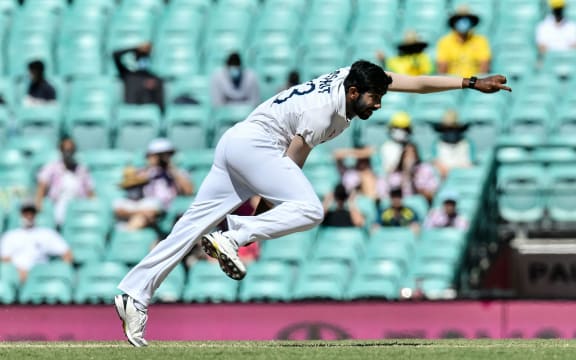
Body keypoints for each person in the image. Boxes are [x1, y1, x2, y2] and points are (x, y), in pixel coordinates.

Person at [113, 59, 510, 347]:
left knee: (189, 228)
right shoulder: (323, 114)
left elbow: (416, 83)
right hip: (258, 145)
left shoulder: (351, 77)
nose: (379, 106)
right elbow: (291, 162)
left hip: (235, 142)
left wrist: (471, 83)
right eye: (374, 99)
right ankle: (233, 236)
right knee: (310, 209)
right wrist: (252, 222)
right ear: (354, 93)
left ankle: (134, 292)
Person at [0, 201, 73, 283]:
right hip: (16, 277)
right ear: (20, 214)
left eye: (32, 213)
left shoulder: (46, 234)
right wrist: (19, 273)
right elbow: (4, 259)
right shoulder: (10, 236)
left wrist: (57, 272)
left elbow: (67, 254)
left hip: (41, 277)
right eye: (25, 213)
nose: (29, 216)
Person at [35, 137, 94, 227]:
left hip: (78, 205)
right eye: (65, 150)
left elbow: (90, 191)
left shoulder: (82, 170)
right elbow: (42, 183)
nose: (68, 153)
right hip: (59, 204)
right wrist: (39, 202)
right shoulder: (52, 167)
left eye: (71, 150)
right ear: (61, 151)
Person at [436, 6, 491, 77]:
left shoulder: (481, 40)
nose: (463, 22)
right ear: (454, 22)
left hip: (474, 83)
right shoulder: (444, 42)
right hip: (453, 84)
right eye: (459, 19)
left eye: (466, 19)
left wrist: (478, 83)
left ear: (471, 22)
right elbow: (442, 68)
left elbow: (484, 65)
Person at [141, 138, 194, 210]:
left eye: (166, 154)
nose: (161, 158)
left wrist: (171, 169)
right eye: (157, 155)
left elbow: (189, 191)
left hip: (169, 207)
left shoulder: (178, 172)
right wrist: (150, 167)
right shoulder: (145, 171)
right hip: (147, 206)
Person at [113, 42, 165, 112]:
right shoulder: (128, 75)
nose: (142, 61)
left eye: (145, 58)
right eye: (139, 58)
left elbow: (160, 104)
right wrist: (136, 49)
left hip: (147, 117)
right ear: (135, 60)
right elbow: (115, 54)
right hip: (128, 114)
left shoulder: (155, 79)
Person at [114, 167, 163, 231]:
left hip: (146, 234)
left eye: (136, 186)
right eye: (130, 187)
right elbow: (120, 213)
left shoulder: (152, 201)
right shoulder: (120, 201)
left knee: (140, 219)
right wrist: (143, 213)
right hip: (122, 234)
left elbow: (153, 215)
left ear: (142, 186)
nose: (134, 190)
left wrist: (132, 214)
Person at [432, 109, 474, 178]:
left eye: (454, 129)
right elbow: (436, 163)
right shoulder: (437, 145)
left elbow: (470, 164)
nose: (451, 133)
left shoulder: (467, 144)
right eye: (447, 129)